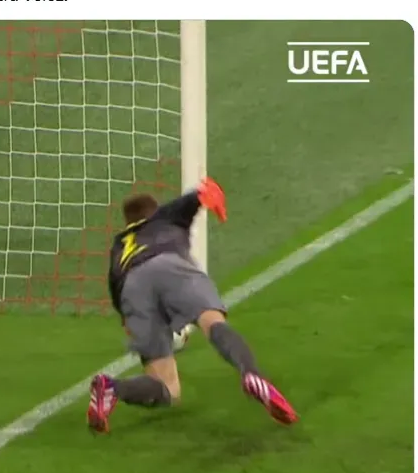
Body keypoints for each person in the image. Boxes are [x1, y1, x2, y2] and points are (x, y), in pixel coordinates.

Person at [86, 177, 298, 433]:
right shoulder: (163, 217)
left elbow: (117, 294)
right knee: (211, 321)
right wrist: (211, 196)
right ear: (153, 211)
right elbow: (198, 195)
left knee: (168, 388)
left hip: (131, 289)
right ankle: (252, 375)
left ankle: (112, 388)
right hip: (169, 265)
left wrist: (135, 323)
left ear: (128, 223)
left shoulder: (118, 246)